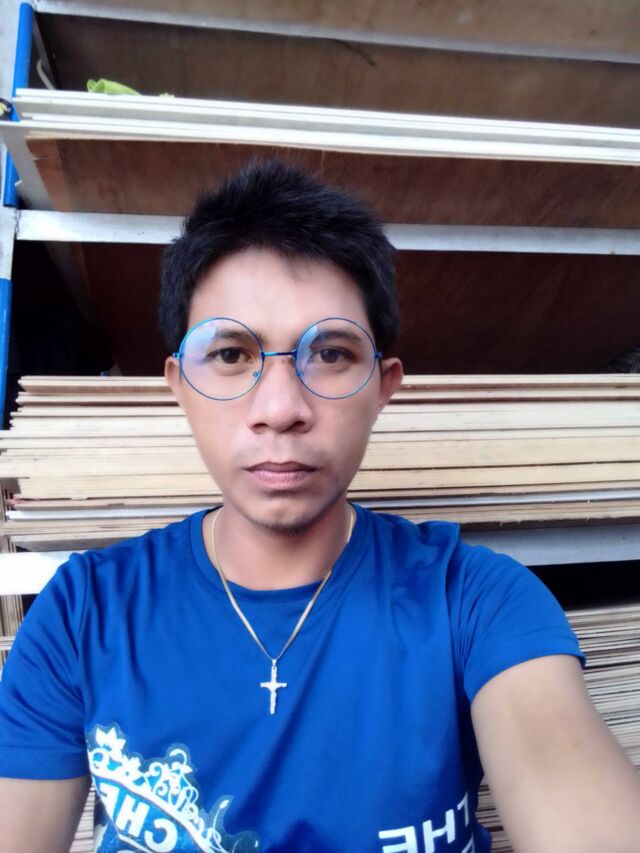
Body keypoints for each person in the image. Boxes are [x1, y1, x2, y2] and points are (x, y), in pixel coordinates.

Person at [0, 160, 638, 853]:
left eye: (330, 353)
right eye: (232, 354)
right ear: (179, 385)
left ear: (383, 386)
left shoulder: (475, 602)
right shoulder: (84, 615)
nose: (280, 409)